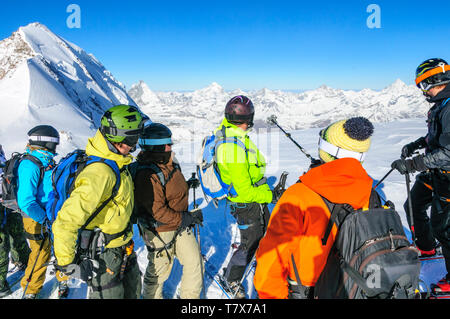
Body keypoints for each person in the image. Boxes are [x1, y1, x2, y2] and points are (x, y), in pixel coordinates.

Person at [254, 117, 375, 299]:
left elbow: (271, 259)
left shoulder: (299, 196)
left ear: (326, 150)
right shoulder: (371, 194)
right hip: (356, 286)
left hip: (308, 289)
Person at [52, 105, 144, 299]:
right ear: (119, 138)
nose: (135, 145)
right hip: (105, 256)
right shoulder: (100, 173)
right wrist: (67, 264)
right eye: (133, 139)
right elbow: (65, 221)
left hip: (123, 247)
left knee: (134, 292)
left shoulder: (119, 162)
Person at [391, 58, 450, 294]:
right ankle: (426, 247)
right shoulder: (440, 104)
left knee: (443, 227)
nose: (423, 90)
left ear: (438, 80)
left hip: (447, 175)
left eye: (425, 84)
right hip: (434, 170)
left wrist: (415, 163)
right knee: (413, 204)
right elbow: (436, 138)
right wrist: (416, 144)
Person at [214, 95, 276, 299]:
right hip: (246, 203)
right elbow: (244, 192)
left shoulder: (234, 136)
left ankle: (259, 259)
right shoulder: (231, 147)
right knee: (249, 242)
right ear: (248, 118)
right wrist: (270, 194)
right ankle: (231, 279)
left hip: (254, 198)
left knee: (262, 234)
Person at [133, 123, 203, 299]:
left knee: (195, 262)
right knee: (159, 271)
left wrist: (186, 185)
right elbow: (156, 210)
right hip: (159, 231)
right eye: (167, 144)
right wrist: (185, 218)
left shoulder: (168, 162)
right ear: (156, 146)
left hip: (179, 225)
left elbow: (169, 190)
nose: (170, 147)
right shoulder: (147, 174)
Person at [15, 125, 68, 299]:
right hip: (35, 217)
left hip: (51, 213)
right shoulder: (30, 165)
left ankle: (62, 278)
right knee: (40, 252)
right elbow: (26, 201)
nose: (56, 147)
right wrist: (44, 219)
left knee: (61, 247)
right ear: (46, 142)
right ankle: (30, 289)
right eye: (55, 143)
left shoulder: (47, 160)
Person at [0, 144, 31, 298]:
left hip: (8, 196)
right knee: (5, 236)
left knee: (15, 229)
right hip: (9, 196)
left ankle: (23, 259)